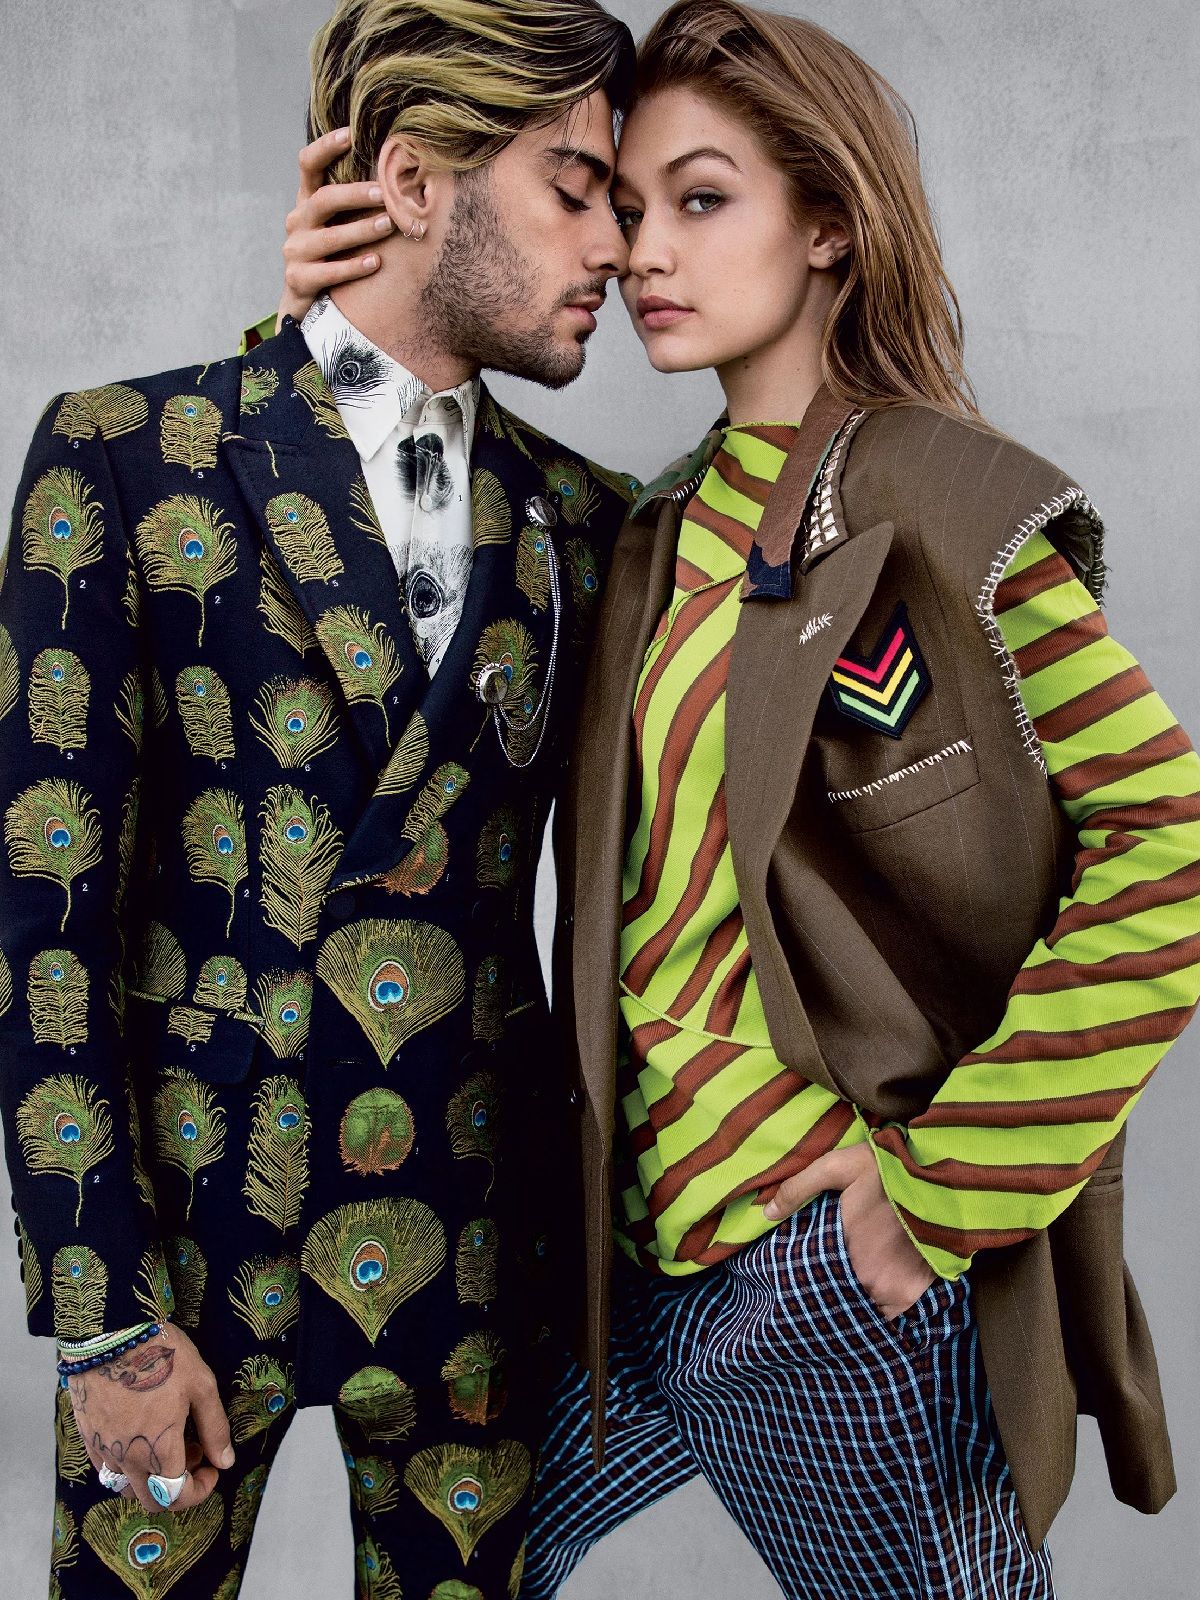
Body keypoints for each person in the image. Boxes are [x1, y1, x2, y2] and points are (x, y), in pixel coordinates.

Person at [284, 3, 1200, 1597]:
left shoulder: (936, 505)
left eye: (702, 200)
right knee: (456, 1567)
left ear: (828, 222)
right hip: (625, 1273)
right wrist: (337, 328)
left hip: (823, 1273)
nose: (645, 250)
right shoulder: (635, 533)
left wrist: (934, 1193)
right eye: (626, 205)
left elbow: (1165, 849)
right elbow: (414, 525)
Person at [0, 3, 644, 1596]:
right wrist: (100, 1314)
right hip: (184, 1261)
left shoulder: (589, 521)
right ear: (412, 179)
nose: (617, 248)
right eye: (576, 189)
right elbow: (47, 925)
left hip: (475, 1280)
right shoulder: (126, 456)